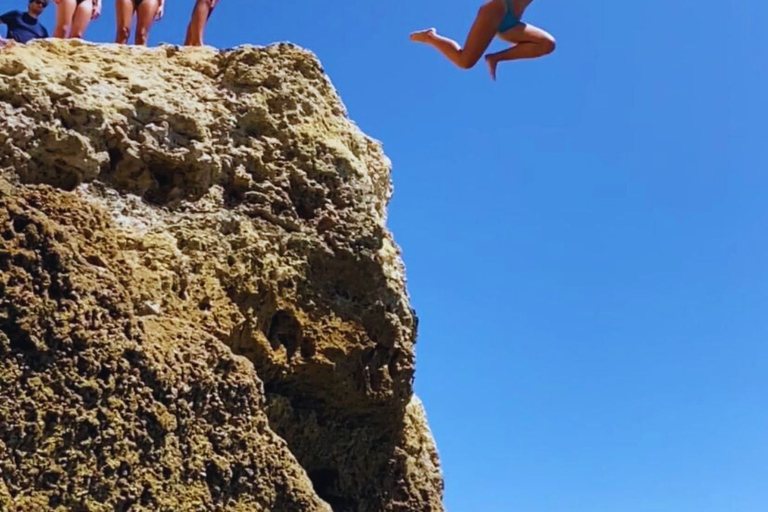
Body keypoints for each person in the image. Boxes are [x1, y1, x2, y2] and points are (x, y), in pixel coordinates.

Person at [410, 0, 555, 80]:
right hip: (497, 8)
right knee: (465, 61)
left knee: (547, 44)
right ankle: (430, 37)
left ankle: (495, 58)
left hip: (512, 24)